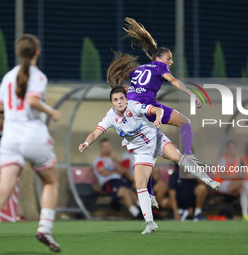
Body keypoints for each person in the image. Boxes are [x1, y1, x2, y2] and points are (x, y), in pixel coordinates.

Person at [78, 86, 220, 234]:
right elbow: (95, 133)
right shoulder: (110, 117)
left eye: (121, 98)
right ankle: (150, 223)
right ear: (112, 103)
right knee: (139, 184)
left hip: (157, 140)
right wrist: (86, 143)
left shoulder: (135, 106)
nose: (119, 102)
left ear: (126, 99)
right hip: (142, 152)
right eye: (115, 100)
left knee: (177, 157)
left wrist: (158, 117)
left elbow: (156, 109)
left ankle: (208, 180)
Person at [0, 34, 61, 254]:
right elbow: (31, 99)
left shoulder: (8, 76)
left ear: (18, 52)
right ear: (37, 52)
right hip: (34, 137)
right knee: (51, 182)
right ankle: (45, 228)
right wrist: (51, 111)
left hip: (10, 139)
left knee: (4, 188)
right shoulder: (37, 75)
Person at [107, 18, 203, 161]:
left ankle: (157, 148)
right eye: (169, 58)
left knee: (148, 148)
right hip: (147, 106)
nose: (171, 62)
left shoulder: (139, 68)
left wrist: (124, 90)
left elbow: (130, 85)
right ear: (158, 58)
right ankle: (189, 155)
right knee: (185, 122)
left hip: (132, 108)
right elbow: (174, 81)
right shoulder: (160, 66)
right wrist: (191, 94)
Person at [216, 141, 248, 221]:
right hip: (220, 183)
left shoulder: (236, 160)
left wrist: (240, 175)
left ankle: (245, 214)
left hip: (230, 183)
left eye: (233, 148)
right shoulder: (223, 159)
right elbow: (223, 176)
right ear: (226, 149)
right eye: (230, 148)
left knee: (243, 190)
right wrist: (237, 176)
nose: (232, 150)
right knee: (245, 182)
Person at [93, 138, 141, 218]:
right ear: (101, 148)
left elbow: (122, 171)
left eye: (108, 146)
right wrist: (115, 172)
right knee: (124, 191)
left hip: (118, 181)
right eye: (104, 147)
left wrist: (114, 160)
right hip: (108, 182)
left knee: (130, 191)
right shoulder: (99, 159)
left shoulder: (114, 160)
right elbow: (103, 172)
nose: (107, 149)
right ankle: (136, 213)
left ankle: (142, 209)